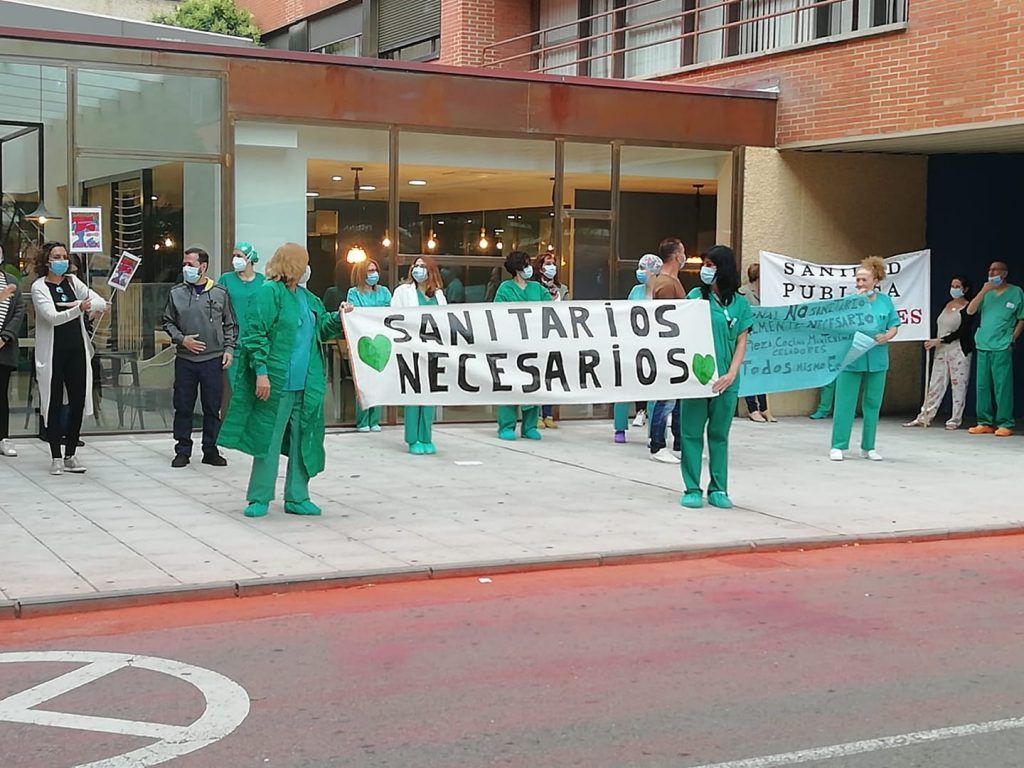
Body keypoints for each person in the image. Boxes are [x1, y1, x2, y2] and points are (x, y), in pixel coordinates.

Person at [218, 243, 345, 518]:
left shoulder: (308, 298)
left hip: (306, 384)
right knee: (268, 440)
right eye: (304, 263)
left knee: (305, 439)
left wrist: (340, 316)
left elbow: (322, 327)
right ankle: (259, 497)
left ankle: (298, 497)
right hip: (275, 382)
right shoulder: (269, 293)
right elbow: (255, 335)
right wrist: (261, 373)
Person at [679, 246, 753, 509]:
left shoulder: (741, 304)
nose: (706, 270)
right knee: (690, 433)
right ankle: (691, 487)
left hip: (727, 380)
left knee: (719, 435)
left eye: (711, 265)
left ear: (723, 268)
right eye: (705, 264)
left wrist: (732, 373)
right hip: (697, 378)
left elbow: (742, 340)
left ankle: (718, 488)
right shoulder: (696, 296)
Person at [31, 241, 107, 475]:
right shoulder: (39, 287)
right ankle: (55, 456)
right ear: (47, 261)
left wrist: (83, 305)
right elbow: (52, 317)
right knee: (53, 402)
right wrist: (79, 308)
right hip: (53, 352)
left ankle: (71, 454)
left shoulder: (73, 282)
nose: (62, 260)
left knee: (77, 401)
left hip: (76, 349)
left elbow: (100, 302)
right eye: (56, 256)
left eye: (64, 256)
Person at [162, 247, 237, 468]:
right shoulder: (176, 293)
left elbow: (231, 324)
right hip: (185, 359)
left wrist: (229, 349)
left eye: (191, 265)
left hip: (212, 359)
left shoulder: (220, 293)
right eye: (184, 264)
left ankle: (210, 449)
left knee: (212, 407)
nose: (186, 269)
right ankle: (182, 450)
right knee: (183, 406)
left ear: (203, 267)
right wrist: (181, 339)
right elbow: (167, 321)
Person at [829, 257, 900, 462]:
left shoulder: (886, 301)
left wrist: (887, 336)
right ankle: (838, 445)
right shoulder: (850, 301)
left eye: (864, 280)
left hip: (877, 358)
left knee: (872, 403)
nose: (860, 284)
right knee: (845, 402)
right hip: (852, 358)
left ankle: (868, 446)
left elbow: (894, 324)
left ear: (875, 280)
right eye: (858, 280)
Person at [493, 251, 552, 440]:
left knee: (533, 386)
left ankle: (529, 426)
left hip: (535, 346)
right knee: (510, 386)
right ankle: (506, 426)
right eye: (526, 264)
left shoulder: (537, 288)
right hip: (512, 346)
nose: (529, 268)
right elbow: (497, 314)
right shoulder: (505, 288)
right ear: (517, 267)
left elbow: (551, 311)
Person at [904, 276, 975, 430]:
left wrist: (941, 340)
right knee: (935, 384)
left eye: (957, 286)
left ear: (965, 289)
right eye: (952, 285)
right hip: (941, 350)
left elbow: (962, 332)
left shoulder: (968, 307)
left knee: (958, 386)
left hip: (959, 350)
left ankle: (955, 419)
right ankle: (925, 417)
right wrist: (934, 340)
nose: (954, 288)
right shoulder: (946, 304)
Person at [392, 256, 447, 454]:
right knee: (414, 395)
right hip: (411, 350)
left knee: (429, 396)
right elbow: (393, 318)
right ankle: (413, 439)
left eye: (423, 266)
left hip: (433, 352)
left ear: (431, 271)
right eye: (416, 266)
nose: (418, 269)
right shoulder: (403, 292)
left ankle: (426, 437)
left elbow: (446, 321)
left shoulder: (438, 295)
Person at [966, 261, 1024, 437]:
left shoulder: (1016, 292)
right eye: (990, 270)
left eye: (995, 270)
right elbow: (970, 311)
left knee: (1002, 386)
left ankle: (1005, 422)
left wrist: (1012, 338)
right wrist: (984, 291)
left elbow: (1022, 318)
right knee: (982, 386)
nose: (991, 273)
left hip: (1002, 345)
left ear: (1004, 273)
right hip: (983, 344)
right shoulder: (987, 294)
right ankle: (984, 422)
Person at [612, 253, 661, 444]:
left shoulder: (662, 291)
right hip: (631, 345)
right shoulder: (635, 291)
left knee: (655, 393)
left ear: (655, 271)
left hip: (655, 348)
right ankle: (620, 428)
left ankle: (655, 433)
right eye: (639, 267)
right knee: (623, 388)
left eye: (644, 268)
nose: (640, 272)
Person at [649, 238, 686, 463]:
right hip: (668, 349)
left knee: (679, 398)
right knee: (668, 399)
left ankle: (680, 442)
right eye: (683, 252)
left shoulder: (667, 282)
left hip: (675, 348)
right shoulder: (667, 284)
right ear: (676, 256)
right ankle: (658, 444)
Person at [348, 258, 393, 433]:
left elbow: (390, 313)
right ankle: (362, 420)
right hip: (362, 342)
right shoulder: (354, 293)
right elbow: (356, 315)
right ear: (361, 273)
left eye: (375, 270)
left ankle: (375, 420)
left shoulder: (384, 292)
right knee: (363, 381)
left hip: (382, 342)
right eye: (369, 271)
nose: (373, 274)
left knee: (379, 379)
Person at [534, 252, 569, 430]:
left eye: (554, 263)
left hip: (556, 337)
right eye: (548, 263)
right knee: (538, 375)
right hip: (538, 335)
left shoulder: (562, 289)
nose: (552, 267)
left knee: (551, 376)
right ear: (540, 267)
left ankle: (548, 413)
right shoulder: (534, 288)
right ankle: (537, 414)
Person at [0, 250, 26, 458]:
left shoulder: (11, 281)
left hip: (3, 349)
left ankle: (3, 438)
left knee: (1, 395)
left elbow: (19, 311)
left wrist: (4, 337)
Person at [742, 263, 773, 423]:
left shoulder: (768, 293)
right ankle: (752, 409)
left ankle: (765, 408)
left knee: (763, 373)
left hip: (764, 340)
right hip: (750, 339)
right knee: (750, 373)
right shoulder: (744, 293)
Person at [219, 242, 266, 340]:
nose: (235, 259)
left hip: (256, 338)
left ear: (250, 258)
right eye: (234, 256)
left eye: (239, 256)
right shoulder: (226, 279)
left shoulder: (262, 281)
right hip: (233, 338)